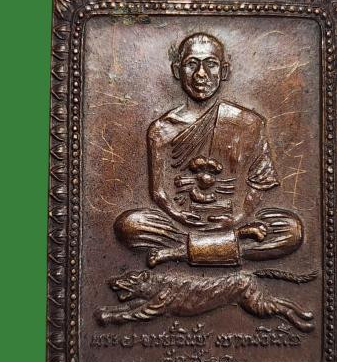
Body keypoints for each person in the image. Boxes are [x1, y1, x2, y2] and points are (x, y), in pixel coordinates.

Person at [114, 33, 303, 267]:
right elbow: (159, 192)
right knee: (130, 225)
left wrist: (237, 217)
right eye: (191, 64)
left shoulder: (249, 122)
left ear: (224, 71)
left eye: (210, 64)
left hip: (235, 220)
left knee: (290, 229)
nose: (201, 74)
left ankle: (183, 251)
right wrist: (179, 215)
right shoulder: (161, 129)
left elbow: (260, 183)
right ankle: (224, 246)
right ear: (177, 71)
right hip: (181, 223)